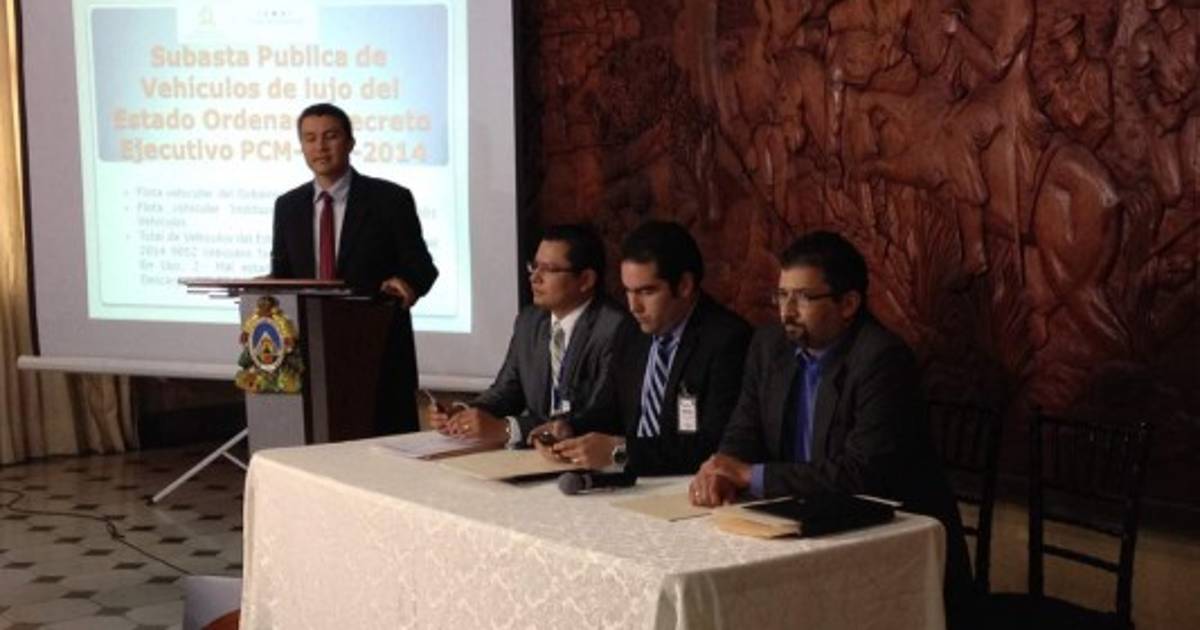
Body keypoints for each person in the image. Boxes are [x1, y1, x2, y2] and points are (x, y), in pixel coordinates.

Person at [688, 230, 972, 618]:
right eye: (782, 295)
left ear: (848, 303)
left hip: (882, 542)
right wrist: (721, 469)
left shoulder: (881, 359)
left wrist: (751, 476)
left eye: (803, 298)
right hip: (794, 526)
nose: (787, 311)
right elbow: (744, 429)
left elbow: (861, 474)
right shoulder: (769, 347)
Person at [270, 102, 438, 435]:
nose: (320, 147)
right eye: (310, 138)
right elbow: (282, 272)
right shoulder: (287, 206)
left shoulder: (390, 199)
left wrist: (407, 283)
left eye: (330, 136)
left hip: (376, 350)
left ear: (349, 142)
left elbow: (422, 266)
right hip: (310, 354)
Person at [540, 220, 751, 474]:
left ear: (684, 285)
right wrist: (570, 428)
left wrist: (622, 452)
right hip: (630, 480)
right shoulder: (630, 330)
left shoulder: (727, 340)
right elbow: (609, 410)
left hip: (685, 484)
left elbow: (712, 445)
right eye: (628, 291)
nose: (634, 306)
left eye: (647, 292)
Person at [431, 224, 631, 445]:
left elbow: (597, 416)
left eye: (549, 269)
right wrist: (464, 414)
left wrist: (509, 429)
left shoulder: (616, 328)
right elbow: (507, 392)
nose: (535, 277)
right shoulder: (530, 321)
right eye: (534, 266)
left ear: (585, 280)